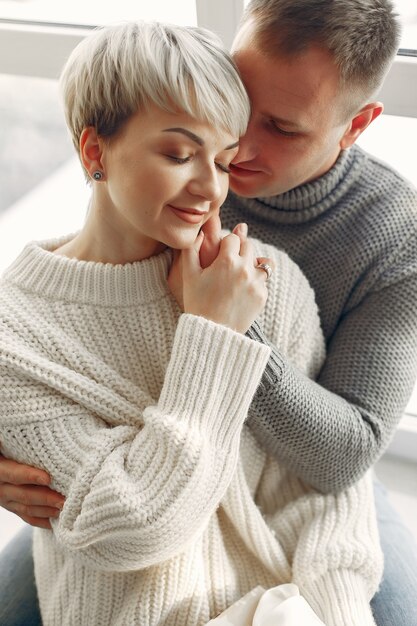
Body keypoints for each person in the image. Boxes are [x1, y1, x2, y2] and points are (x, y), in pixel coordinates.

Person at [1, 0, 417, 623]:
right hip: (124, 534)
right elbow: (85, 286)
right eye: (237, 103)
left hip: (306, 469)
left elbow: (336, 465)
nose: (233, 157)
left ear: (355, 125)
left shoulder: (387, 244)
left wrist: (227, 331)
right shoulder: (175, 144)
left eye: (279, 127)